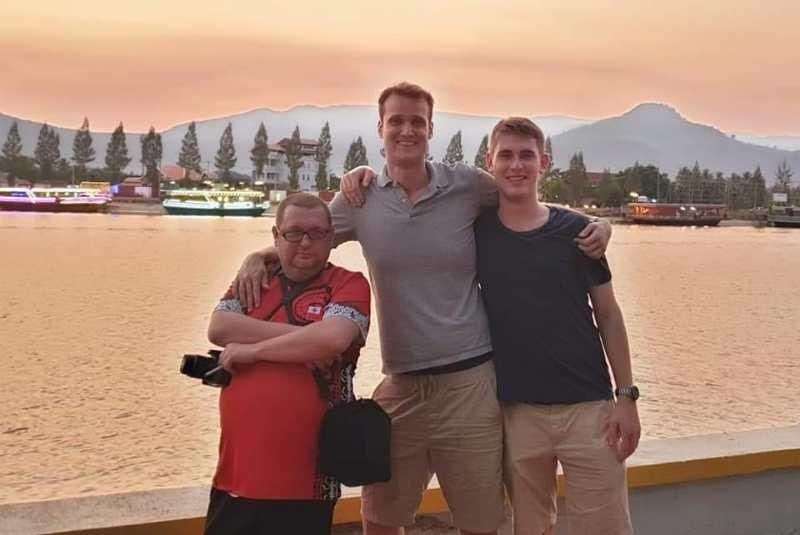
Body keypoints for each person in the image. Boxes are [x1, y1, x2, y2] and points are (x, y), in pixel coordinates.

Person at [233, 82, 611, 535]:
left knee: (481, 521)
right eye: (397, 121)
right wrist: (259, 257)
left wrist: (597, 223)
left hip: (471, 385)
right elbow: (304, 241)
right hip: (403, 384)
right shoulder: (360, 200)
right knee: (380, 515)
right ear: (381, 129)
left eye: (417, 122)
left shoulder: (467, 186)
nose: (407, 130)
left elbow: (526, 199)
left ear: (431, 129)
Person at [475, 117, 640, 535]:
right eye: (506, 155)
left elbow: (608, 315)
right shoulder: (476, 232)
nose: (516, 165)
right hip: (517, 412)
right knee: (531, 527)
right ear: (489, 162)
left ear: (543, 162)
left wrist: (627, 398)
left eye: (526, 155)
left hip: (589, 410)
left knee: (603, 527)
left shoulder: (577, 232)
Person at [204, 193, 370, 535]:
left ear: (331, 237)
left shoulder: (348, 283)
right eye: (293, 233)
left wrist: (251, 350)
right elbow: (219, 328)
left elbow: (332, 340)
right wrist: (302, 340)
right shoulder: (253, 280)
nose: (305, 243)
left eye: (317, 233)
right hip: (236, 473)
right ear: (276, 236)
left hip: (306, 481)